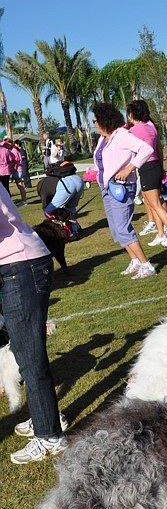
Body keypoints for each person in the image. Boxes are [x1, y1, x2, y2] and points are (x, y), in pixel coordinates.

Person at [0, 183, 68, 464]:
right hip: (15, 266)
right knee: (21, 347)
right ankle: (46, 416)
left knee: (30, 356)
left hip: (21, 266)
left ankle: (50, 436)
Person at [92, 102, 157, 279]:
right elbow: (104, 161)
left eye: (95, 120)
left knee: (122, 227)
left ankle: (146, 265)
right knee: (115, 229)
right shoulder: (102, 139)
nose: (94, 123)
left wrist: (129, 168)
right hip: (106, 187)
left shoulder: (122, 135)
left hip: (121, 187)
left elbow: (146, 149)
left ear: (104, 120)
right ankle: (135, 261)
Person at [126, 99, 167, 248]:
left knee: (155, 204)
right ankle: (161, 234)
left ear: (131, 115)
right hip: (155, 165)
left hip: (147, 167)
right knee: (156, 202)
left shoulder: (133, 131)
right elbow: (158, 149)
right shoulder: (151, 128)